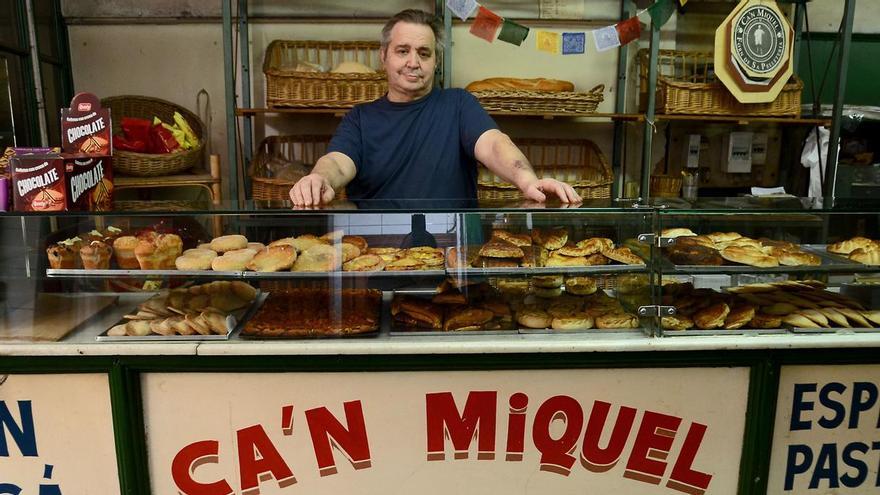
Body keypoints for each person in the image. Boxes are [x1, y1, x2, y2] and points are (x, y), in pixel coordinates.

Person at [289, 9, 581, 206]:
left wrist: (527, 180)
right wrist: (320, 178)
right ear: (384, 56)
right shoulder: (361, 118)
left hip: (454, 255)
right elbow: (339, 162)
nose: (413, 62)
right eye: (403, 51)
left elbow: (493, 145)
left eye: (424, 53)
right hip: (378, 256)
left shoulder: (458, 104)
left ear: (436, 61)